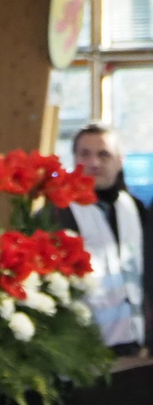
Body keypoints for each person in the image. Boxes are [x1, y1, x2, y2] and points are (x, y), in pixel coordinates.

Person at [56, 122, 148, 354]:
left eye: (103, 154)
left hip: (134, 342)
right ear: (74, 159)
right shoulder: (58, 213)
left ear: (120, 161)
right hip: (84, 347)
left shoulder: (135, 208)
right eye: (84, 154)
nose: (93, 163)